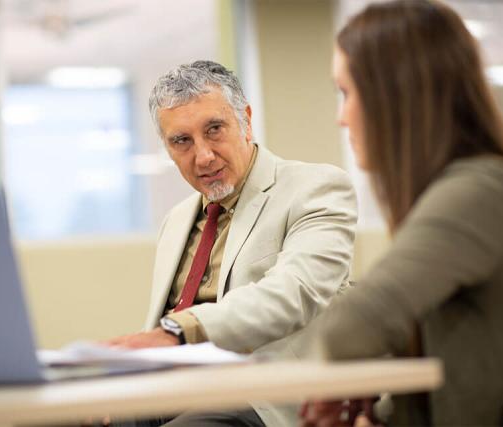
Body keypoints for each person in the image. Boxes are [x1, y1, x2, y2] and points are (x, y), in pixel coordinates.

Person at [301, 1, 503, 426]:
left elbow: (346, 331)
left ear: (392, 96)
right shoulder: (475, 188)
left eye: (347, 93)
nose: (341, 117)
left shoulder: (477, 194)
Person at [106, 60, 358, 426]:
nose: (204, 156)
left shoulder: (315, 188)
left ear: (246, 120)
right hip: (174, 386)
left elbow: (292, 292)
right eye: (182, 141)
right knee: (57, 416)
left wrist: (181, 332)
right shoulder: (176, 220)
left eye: (214, 130)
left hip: (262, 393)